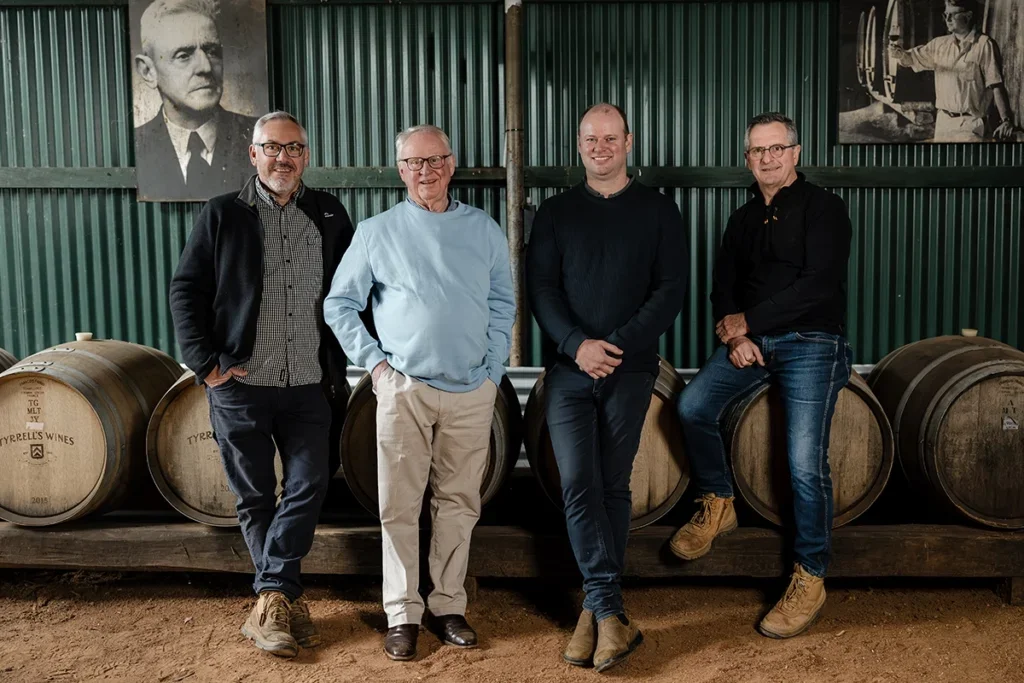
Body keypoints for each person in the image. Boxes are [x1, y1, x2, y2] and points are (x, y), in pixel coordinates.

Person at [323, 124, 515, 662]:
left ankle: (448, 604)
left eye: (435, 160)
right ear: (400, 169)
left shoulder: (483, 229)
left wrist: (492, 369)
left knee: (459, 503)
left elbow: (503, 302)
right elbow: (340, 304)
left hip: (471, 391)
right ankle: (402, 612)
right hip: (404, 390)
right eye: (413, 162)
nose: (425, 171)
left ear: (451, 164)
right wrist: (378, 367)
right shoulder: (377, 231)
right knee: (399, 506)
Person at [169, 111, 354, 658]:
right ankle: (281, 598)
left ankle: (272, 593)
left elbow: (351, 291)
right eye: (272, 148)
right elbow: (187, 289)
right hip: (241, 382)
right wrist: (206, 363)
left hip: (308, 382)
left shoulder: (328, 213)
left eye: (293, 148)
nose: (283, 158)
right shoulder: (223, 213)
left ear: (306, 155)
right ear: (253, 154)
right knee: (253, 496)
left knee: (308, 485)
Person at [669, 112, 853, 640]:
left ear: (796, 153)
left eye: (777, 148)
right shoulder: (742, 219)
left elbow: (817, 285)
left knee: (802, 464)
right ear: (747, 158)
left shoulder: (825, 210)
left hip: (813, 343)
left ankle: (811, 575)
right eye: (757, 151)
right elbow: (722, 287)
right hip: (753, 344)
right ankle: (718, 501)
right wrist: (736, 336)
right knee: (692, 407)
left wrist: (751, 321)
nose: (767, 158)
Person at [526, 103, 687, 673]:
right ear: (578, 144)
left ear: (628, 142)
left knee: (613, 485)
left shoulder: (660, 212)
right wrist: (577, 345)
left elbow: (669, 291)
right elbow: (541, 288)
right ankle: (609, 608)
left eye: (609, 138)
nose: (599, 147)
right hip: (569, 370)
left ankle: (598, 613)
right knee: (577, 483)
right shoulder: (554, 213)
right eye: (589, 138)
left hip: (632, 367)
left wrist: (614, 345)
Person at [133, 0, 260, 200]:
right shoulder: (134, 145)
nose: (206, 68)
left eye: (212, 52)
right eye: (183, 55)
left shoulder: (260, 138)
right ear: (148, 71)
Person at [888, 0, 1019, 141]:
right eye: (946, 15)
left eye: (953, 14)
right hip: (944, 122)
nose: (948, 19)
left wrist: (1006, 120)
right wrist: (900, 54)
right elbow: (912, 58)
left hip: (970, 124)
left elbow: (996, 84)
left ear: (968, 16)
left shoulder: (984, 45)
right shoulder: (939, 45)